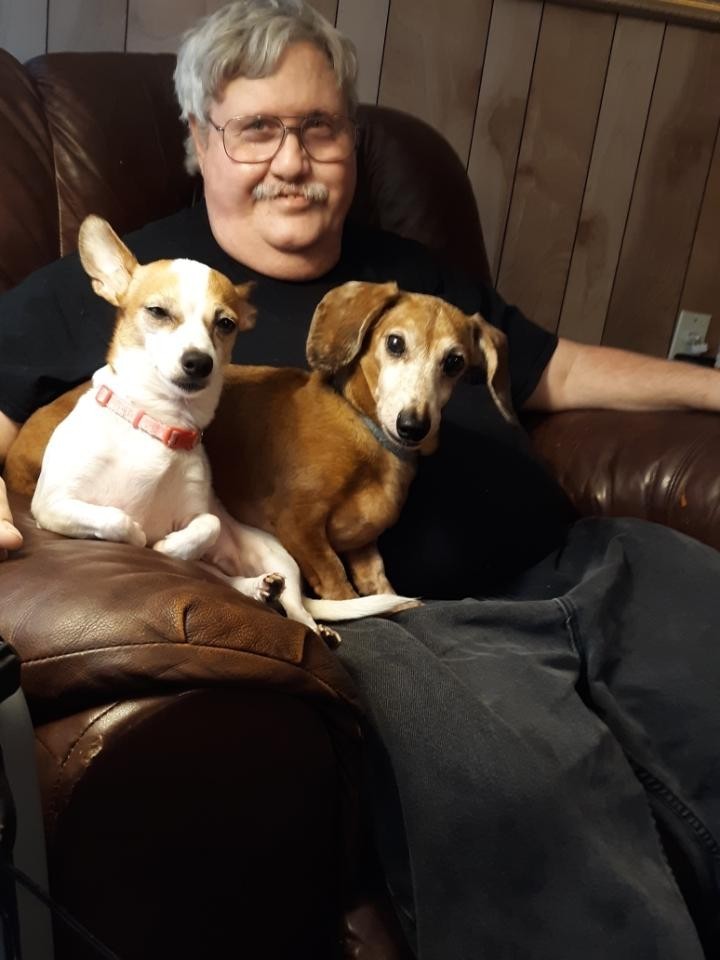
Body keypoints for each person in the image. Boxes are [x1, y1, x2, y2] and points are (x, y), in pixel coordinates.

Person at [1, 1, 719, 955]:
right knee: (541, 826)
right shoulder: (135, 289)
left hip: (589, 562)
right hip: (415, 630)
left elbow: (561, 369)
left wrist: (712, 387)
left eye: (320, 127)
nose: (292, 160)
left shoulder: (415, 268)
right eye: (257, 128)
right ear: (199, 141)